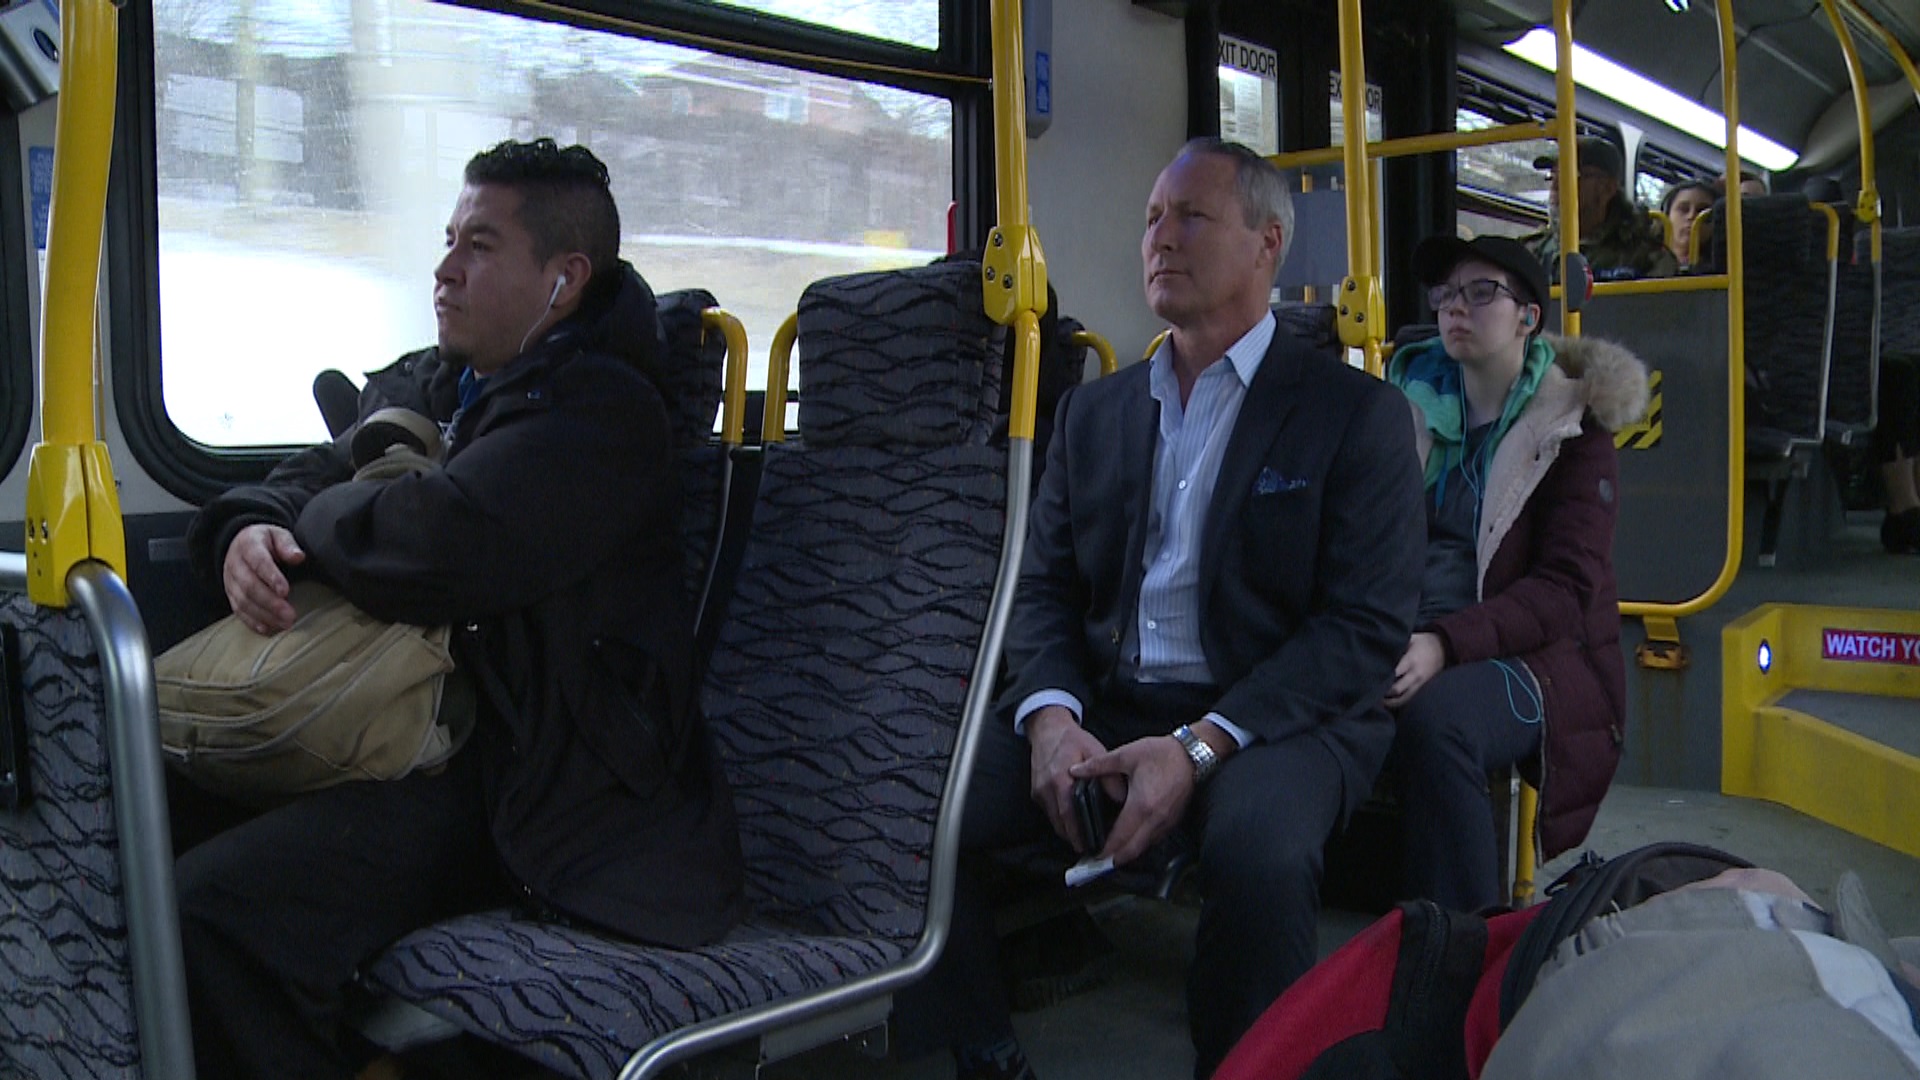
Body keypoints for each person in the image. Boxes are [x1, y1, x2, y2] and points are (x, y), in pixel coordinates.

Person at [173, 138, 746, 1078]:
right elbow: (317, 470)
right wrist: (247, 527)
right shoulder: (449, 382)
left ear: (563, 279)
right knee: (145, 814)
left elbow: (437, 548)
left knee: (215, 914)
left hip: (544, 786)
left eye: (479, 246)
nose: (444, 270)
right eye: (447, 240)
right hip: (430, 732)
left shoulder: (601, 414)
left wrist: (320, 516)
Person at [906, 138, 1425, 1080]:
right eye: (1152, 218)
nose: (1161, 239)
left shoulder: (1353, 414)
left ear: (1267, 245)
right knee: (917, 796)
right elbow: (1044, 588)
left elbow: (1362, 627)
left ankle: (1243, 1067)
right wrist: (1051, 717)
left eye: (1192, 216)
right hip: (1112, 699)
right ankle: (981, 1045)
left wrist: (1199, 746)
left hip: (1276, 713)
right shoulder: (1096, 413)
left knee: (1261, 851)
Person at [1384, 235, 1646, 912]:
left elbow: (1564, 593)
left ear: (1528, 317)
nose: (1455, 308)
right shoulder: (1403, 410)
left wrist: (1443, 645)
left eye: (1481, 293)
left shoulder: (1573, 430)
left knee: (1440, 721)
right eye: (1446, 294)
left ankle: (1469, 938)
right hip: (1413, 627)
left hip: (1543, 657)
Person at [1524, 138, 1677, 282]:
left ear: (1607, 188)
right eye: (1553, 175)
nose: (1555, 186)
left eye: (1569, 175)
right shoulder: (1532, 251)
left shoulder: (1646, 257)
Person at [1660, 179, 1718, 270]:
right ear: (1667, 215)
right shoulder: (1645, 262)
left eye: (1701, 210)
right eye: (1684, 209)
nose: (1691, 216)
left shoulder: (1724, 268)